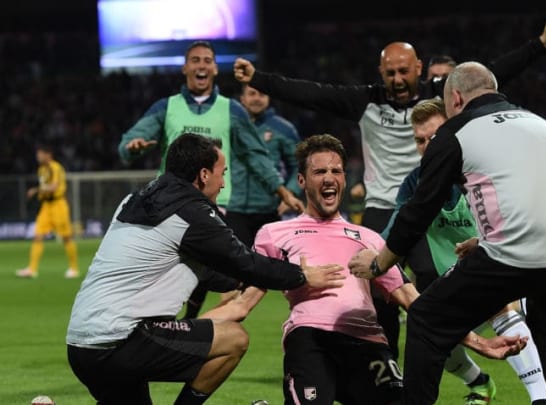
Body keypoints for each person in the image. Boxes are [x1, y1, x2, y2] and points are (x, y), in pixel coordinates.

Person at [233, 15, 546, 358]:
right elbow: (311, 93)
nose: (397, 79)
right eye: (390, 73)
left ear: (419, 67)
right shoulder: (366, 101)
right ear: (381, 72)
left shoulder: (439, 95)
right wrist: (260, 79)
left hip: (424, 202)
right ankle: (385, 361)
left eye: (403, 71)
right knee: (377, 292)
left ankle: (462, 362)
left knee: (426, 282)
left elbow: (491, 76)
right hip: (381, 208)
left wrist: (539, 45)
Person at [349, 62, 546, 405]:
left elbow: (417, 212)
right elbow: (532, 194)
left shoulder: (456, 132)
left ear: (455, 97)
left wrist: (379, 264)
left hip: (521, 251)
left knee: (426, 318)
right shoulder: (537, 122)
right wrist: (484, 240)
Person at [229, 134, 526, 405]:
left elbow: (414, 302)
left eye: (336, 171)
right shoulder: (275, 233)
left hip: (368, 343)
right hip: (311, 336)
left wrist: (480, 343)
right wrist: (203, 332)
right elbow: (245, 300)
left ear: (344, 178)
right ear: (302, 180)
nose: (329, 178)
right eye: (319, 172)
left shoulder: (369, 239)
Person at [66, 133, 345, 405]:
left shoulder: (134, 200)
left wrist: (240, 283)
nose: (223, 183)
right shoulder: (191, 213)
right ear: (203, 175)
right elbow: (245, 263)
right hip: (122, 341)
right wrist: (301, 275)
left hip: (81, 345)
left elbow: (210, 271)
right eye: (221, 173)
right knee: (233, 339)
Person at [118, 41, 303, 318]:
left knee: (215, 274)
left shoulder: (232, 110)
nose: (201, 65)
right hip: (167, 206)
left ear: (215, 68)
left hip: (213, 206)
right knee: (177, 274)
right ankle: (176, 326)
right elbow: (129, 142)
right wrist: (132, 147)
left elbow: (256, 155)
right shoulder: (166, 107)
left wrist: (281, 190)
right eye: (195, 60)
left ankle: (193, 326)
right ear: (185, 68)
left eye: (207, 60)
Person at [383, 99, 546, 404]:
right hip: (454, 287)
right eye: (419, 140)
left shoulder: (478, 171)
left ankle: (540, 398)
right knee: (427, 328)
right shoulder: (412, 184)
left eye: (432, 138)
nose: (425, 146)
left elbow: (519, 224)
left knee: (500, 304)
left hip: (503, 274)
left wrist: (483, 244)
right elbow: (393, 234)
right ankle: (480, 384)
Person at [226, 84, 302, 246]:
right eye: (252, 94)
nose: (257, 98)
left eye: (262, 94)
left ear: (269, 98)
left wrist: (290, 193)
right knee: (236, 268)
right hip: (233, 208)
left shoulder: (284, 129)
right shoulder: (229, 125)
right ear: (242, 99)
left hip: (269, 210)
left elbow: (300, 165)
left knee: (268, 266)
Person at [16, 144, 79, 279]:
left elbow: (54, 187)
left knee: (66, 237)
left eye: (40, 154)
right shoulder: (41, 169)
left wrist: (36, 190)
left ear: (48, 154)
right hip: (46, 206)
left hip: (58, 205)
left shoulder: (55, 167)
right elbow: (46, 186)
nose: (38, 157)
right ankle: (32, 269)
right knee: (37, 236)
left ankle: (74, 268)